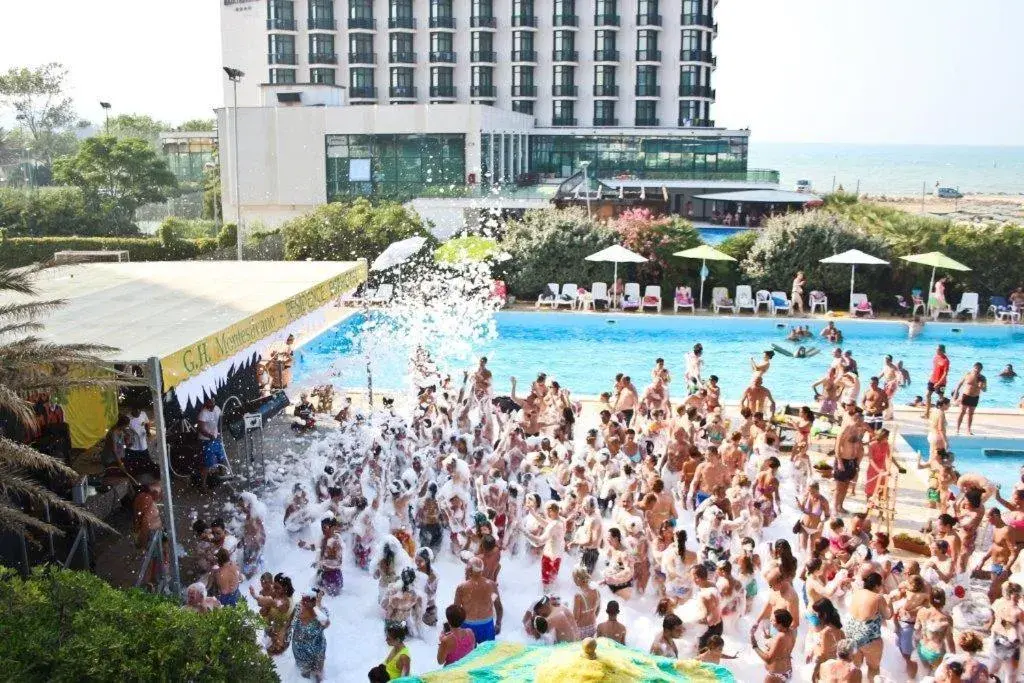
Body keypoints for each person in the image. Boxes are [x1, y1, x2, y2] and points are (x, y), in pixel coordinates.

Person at [454, 556, 503, 644]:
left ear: (469, 570)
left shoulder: (462, 588)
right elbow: (498, 606)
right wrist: (498, 623)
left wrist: (454, 630)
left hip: (468, 626)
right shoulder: (491, 585)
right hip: (486, 626)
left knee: (469, 656)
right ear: (482, 570)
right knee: (486, 655)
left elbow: (456, 612)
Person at [750, 608, 795, 682]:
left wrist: (755, 646)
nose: (771, 621)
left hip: (776, 674)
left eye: (773, 620)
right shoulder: (790, 632)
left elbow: (769, 660)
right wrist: (770, 639)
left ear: (780, 624)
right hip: (787, 671)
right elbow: (784, 650)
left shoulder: (780, 637)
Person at [197, 397, 228, 490]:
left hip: (215, 438)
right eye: (210, 402)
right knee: (207, 463)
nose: (212, 404)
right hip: (205, 440)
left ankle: (222, 475)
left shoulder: (217, 409)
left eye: (213, 401)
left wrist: (217, 433)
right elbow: (201, 429)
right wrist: (209, 435)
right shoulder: (203, 414)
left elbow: (220, 420)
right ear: (206, 403)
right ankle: (203, 484)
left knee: (221, 457)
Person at [952, 362, 986, 434]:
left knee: (971, 414)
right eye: (976, 368)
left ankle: (968, 430)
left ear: (981, 370)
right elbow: (959, 384)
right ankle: (957, 429)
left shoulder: (982, 378)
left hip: (975, 397)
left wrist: (981, 387)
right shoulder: (968, 374)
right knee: (962, 412)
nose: (977, 370)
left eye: (979, 369)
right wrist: (955, 393)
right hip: (966, 396)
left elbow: (985, 389)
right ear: (973, 368)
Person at [572, 566, 601, 639]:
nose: (574, 581)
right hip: (593, 626)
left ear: (578, 579)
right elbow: (597, 610)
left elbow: (576, 617)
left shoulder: (578, 596)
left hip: (581, 629)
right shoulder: (596, 591)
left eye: (574, 578)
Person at [924, 344, 950, 418]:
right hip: (932, 380)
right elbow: (934, 368)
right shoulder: (935, 357)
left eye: (937, 350)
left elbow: (945, 374)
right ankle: (927, 413)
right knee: (928, 395)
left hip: (941, 383)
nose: (936, 351)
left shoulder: (946, 360)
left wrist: (938, 383)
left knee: (941, 398)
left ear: (942, 350)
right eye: (936, 349)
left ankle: (941, 415)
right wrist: (930, 377)